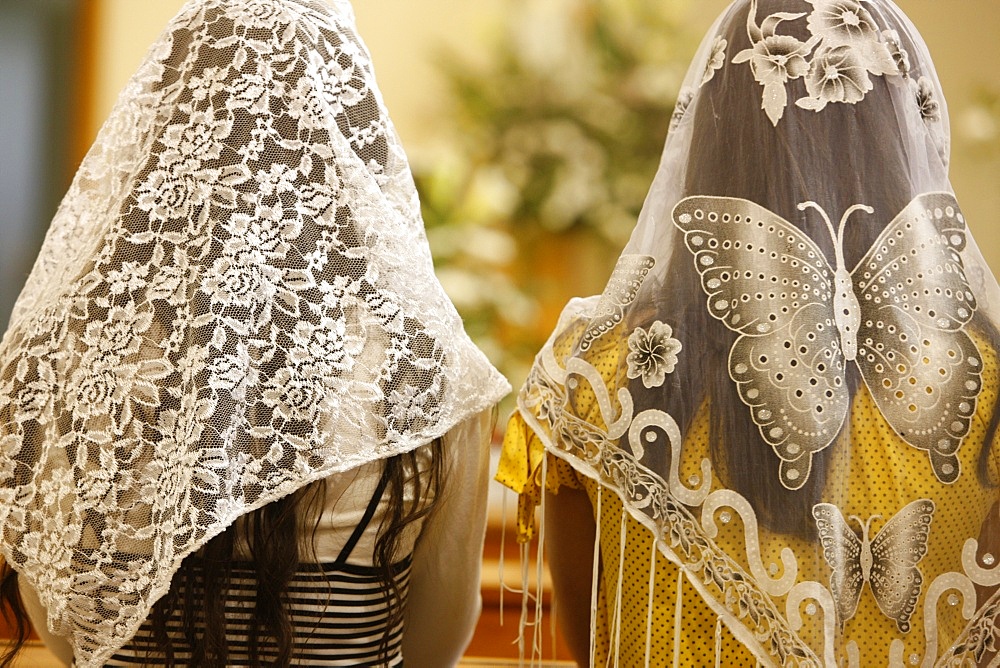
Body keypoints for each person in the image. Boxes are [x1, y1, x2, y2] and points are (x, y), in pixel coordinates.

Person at [0, 0, 509, 666]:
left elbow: (72, 634)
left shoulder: (69, 360)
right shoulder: (431, 380)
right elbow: (432, 646)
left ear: (167, 135)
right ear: (347, 145)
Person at [497, 0, 1000, 665]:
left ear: (706, 137)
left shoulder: (594, 376)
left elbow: (596, 643)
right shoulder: (985, 379)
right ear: (906, 137)